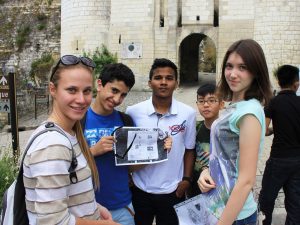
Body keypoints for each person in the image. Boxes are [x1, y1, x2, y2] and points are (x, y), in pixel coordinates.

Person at [23, 55, 120, 225]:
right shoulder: (53, 145)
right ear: (53, 89)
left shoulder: (69, 134)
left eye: (87, 91)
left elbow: (64, 195)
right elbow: (53, 222)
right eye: (72, 90)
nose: (82, 100)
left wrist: (94, 208)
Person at [198, 39, 272, 225]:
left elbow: (247, 180)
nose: (232, 74)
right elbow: (225, 155)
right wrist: (206, 171)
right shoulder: (236, 106)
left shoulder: (249, 113)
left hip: (235, 215)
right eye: (229, 66)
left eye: (242, 67)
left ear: (255, 72)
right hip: (218, 203)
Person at [126, 58, 197, 225]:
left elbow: (189, 149)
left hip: (172, 190)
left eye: (169, 78)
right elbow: (127, 148)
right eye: (158, 78)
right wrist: (127, 175)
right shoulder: (133, 112)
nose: (163, 82)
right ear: (150, 83)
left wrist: (186, 180)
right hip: (140, 189)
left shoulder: (187, 114)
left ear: (176, 83)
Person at [82, 63, 136, 225]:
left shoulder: (126, 121)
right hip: (88, 208)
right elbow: (65, 164)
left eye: (123, 95)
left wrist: (159, 151)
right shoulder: (79, 120)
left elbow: (132, 166)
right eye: (114, 90)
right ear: (99, 84)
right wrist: (93, 151)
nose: (117, 99)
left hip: (123, 207)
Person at [258, 65, 300, 225]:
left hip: (278, 159)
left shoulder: (273, 103)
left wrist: (275, 130)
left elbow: (262, 130)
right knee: (295, 203)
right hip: (297, 161)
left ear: (278, 81)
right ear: (296, 83)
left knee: (267, 199)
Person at [187, 83, 224, 198]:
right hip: (195, 189)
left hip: (220, 189)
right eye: (201, 101)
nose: (206, 105)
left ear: (221, 104)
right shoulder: (194, 128)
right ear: (197, 104)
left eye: (211, 100)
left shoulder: (227, 132)